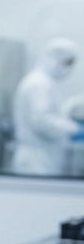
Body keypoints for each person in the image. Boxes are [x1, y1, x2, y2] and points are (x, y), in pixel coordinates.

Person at [12, 38, 84, 176]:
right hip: (36, 160)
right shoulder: (39, 84)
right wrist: (75, 130)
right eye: (67, 63)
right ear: (54, 58)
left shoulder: (46, 83)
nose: (68, 69)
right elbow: (43, 122)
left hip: (43, 156)